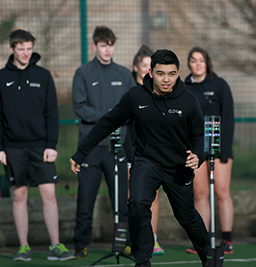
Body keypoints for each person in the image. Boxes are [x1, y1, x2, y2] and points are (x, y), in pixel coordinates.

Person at [70, 49, 210, 267]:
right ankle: (142, 261)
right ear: (151, 72)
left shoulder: (189, 101)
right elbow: (107, 122)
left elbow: (199, 134)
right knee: (137, 204)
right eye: (161, 73)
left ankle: (208, 256)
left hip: (178, 166)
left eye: (172, 74)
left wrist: (198, 155)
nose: (166, 79)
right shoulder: (135, 97)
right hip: (147, 162)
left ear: (178, 73)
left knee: (187, 217)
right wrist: (81, 152)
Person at [0, 29, 74, 261]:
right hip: (12, 148)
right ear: (12, 49)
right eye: (21, 49)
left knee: (49, 194)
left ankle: (56, 245)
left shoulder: (44, 76)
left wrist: (51, 144)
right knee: (19, 196)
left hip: (41, 147)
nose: (26, 53)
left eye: (29, 49)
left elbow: (52, 113)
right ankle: (24, 247)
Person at [72, 25, 136, 258]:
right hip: (90, 149)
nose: (107, 50)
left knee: (121, 201)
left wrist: (117, 117)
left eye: (110, 45)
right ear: (94, 46)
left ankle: (123, 243)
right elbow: (79, 107)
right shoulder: (83, 73)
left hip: (116, 149)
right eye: (103, 45)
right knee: (85, 200)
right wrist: (107, 116)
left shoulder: (123, 74)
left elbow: (133, 107)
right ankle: (81, 244)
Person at [184, 47, 234, 254]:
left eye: (201, 60)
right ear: (189, 64)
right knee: (201, 194)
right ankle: (203, 241)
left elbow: (228, 119)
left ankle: (227, 240)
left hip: (219, 150)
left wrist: (224, 151)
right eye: (194, 60)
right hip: (196, 150)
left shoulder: (220, 85)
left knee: (221, 191)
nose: (197, 64)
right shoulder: (184, 87)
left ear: (207, 63)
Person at [131, 45, 164, 256]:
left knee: (153, 197)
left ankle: (153, 239)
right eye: (144, 66)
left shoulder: (159, 93)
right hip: (130, 150)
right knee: (134, 197)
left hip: (153, 153)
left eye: (150, 66)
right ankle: (136, 240)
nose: (147, 70)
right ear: (136, 68)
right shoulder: (130, 92)